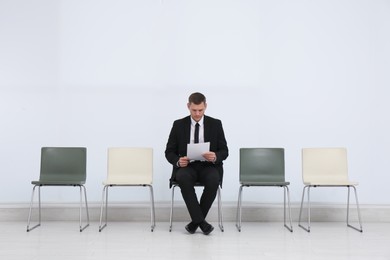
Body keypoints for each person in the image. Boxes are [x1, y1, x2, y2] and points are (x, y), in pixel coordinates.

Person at [165, 92, 229, 235]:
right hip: (187, 166)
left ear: (205, 106)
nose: (198, 113)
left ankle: (196, 222)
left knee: (214, 179)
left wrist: (215, 156)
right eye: (194, 110)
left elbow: (224, 151)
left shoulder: (216, 124)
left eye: (201, 110)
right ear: (188, 106)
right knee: (182, 178)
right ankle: (201, 222)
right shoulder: (178, 125)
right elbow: (169, 152)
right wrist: (177, 161)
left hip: (209, 166)